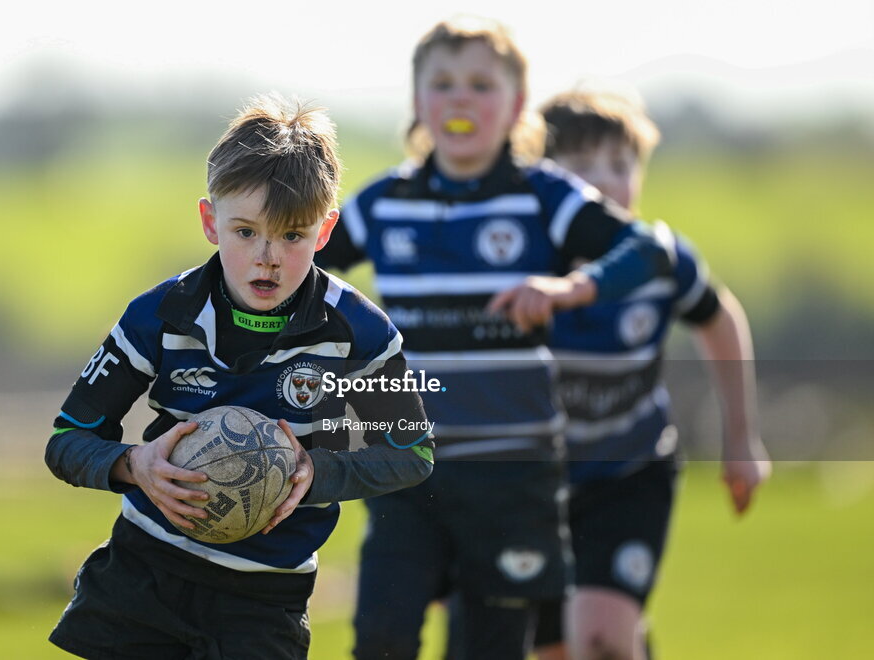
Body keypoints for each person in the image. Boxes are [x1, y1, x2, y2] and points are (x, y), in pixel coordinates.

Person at [315, 17, 676, 660]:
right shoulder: (384, 203)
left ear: (514, 105)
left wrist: (570, 288)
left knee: (489, 645)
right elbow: (301, 268)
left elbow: (646, 253)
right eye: (443, 83)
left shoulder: (544, 197)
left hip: (513, 476)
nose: (460, 99)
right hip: (406, 466)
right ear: (418, 102)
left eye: (481, 85)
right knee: (382, 636)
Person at [44, 94, 435, 660]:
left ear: (324, 232)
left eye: (292, 235)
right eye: (246, 231)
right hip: (142, 575)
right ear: (210, 222)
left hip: (265, 599)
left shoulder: (360, 334)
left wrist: (315, 471)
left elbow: (413, 453)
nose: (268, 257)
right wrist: (136, 466)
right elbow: (66, 442)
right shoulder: (158, 315)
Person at [529, 88, 772, 660]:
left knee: (599, 638)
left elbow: (721, 322)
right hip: (534, 487)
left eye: (621, 164)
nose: (607, 181)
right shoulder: (521, 270)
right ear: (543, 179)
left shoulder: (660, 260)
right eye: (583, 166)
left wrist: (742, 439)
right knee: (561, 648)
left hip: (628, 473)